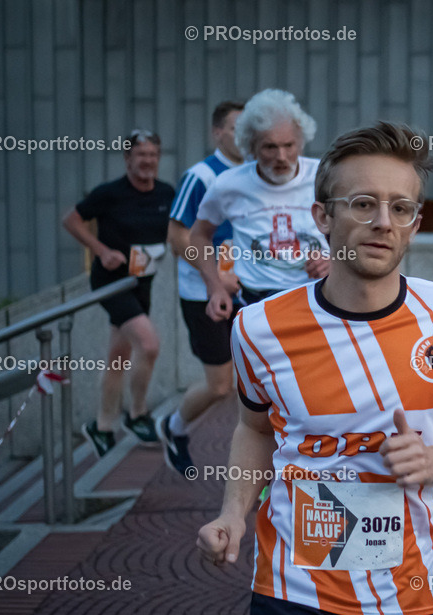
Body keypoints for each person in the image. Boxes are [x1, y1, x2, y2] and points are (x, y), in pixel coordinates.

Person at [196, 121, 433, 615]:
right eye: (363, 203)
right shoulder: (258, 327)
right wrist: (232, 512)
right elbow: (255, 429)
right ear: (322, 217)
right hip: (293, 586)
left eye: (402, 208)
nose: (383, 222)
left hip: (410, 590)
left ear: (414, 223)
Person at [63, 130, 175, 456]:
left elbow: (181, 228)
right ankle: (137, 414)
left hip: (143, 282)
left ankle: (101, 426)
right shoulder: (109, 193)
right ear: (127, 159)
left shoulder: (167, 192)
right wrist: (101, 250)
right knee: (149, 344)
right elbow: (71, 220)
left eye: (153, 155)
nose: (147, 161)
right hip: (112, 282)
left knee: (118, 357)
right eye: (141, 155)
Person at [188, 89, 330, 319]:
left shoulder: (324, 176)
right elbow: (198, 236)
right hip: (258, 303)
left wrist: (336, 260)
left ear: (301, 143)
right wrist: (214, 286)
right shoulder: (229, 184)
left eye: (289, 145)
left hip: (318, 297)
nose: (281, 156)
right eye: (270, 147)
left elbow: (357, 226)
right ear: (251, 147)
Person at [159, 101, 246, 475]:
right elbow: (177, 237)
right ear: (217, 133)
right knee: (220, 386)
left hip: (248, 293)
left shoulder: (258, 175)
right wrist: (215, 280)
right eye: (235, 128)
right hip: (204, 294)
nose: (243, 136)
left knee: (262, 381)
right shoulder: (202, 176)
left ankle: (263, 468)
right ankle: (172, 427)